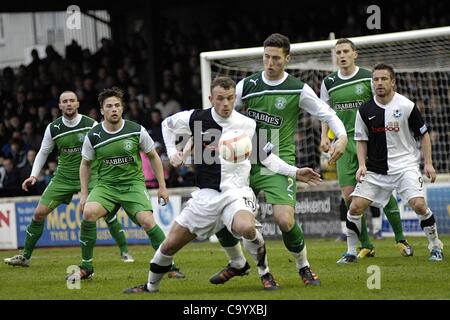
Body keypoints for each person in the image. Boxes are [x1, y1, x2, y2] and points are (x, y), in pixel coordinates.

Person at [123, 77, 322, 293]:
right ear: (211, 99)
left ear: (234, 98)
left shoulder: (248, 124)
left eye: (229, 98)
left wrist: (295, 171)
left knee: (246, 227)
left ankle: (265, 272)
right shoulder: (196, 118)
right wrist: (173, 153)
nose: (225, 103)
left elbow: (267, 158)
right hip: (206, 195)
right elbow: (166, 124)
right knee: (170, 244)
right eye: (220, 99)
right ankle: (151, 287)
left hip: (237, 193)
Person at [211, 34, 348, 287]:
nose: (270, 62)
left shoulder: (297, 88)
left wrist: (341, 137)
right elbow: (219, 113)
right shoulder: (247, 85)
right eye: (266, 57)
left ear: (287, 58)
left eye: (276, 58)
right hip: (244, 162)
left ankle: (303, 267)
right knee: (218, 214)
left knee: (285, 220)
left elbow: (327, 113)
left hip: (279, 162)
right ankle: (237, 263)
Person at [4, 91, 135, 267]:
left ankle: (125, 251)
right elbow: (43, 152)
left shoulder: (91, 124)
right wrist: (34, 175)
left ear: (78, 104)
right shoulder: (53, 128)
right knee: (38, 213)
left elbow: (105, 149)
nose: (69, 104)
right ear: (59, 106)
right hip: (63, 177)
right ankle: (25, 257)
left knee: (108, 215)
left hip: (91, 176)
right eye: (65, 101)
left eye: (72, 101)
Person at [67, 87, 184, 281]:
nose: (114, 109)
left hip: (133, 185)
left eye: (117, 105)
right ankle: (86, 267)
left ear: (122, 108)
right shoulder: (93, 135)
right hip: (106, 187)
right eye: (109, 106)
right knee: (88, 212)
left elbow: (153, 156)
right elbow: (85, 164)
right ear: (102, 110)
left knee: (147, 221)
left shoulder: (136, 130)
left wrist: (162, 186)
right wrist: (85, 193)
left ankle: (169, 265)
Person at [337, 63, 444, 264]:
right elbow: (361, 140)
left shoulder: (406, 106)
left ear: (393, 82)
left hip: (405, 166)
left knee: (419, 206)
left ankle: (435, 245)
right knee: (355, 207)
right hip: (376, 170)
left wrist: (428, 163)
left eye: (384, 79)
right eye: (375, 79)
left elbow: (424, 135)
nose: (379, 83)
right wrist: (362, 165)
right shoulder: (365, 109)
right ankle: (351, 251)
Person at [320, 39, 412, 258]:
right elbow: (324, 112)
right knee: (349, 196)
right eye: (338, 52)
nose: (341, 55)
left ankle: (400, 239)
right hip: (342, 143)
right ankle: (366, 244)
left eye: (345, 52)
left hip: (368, 140)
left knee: (381, 191)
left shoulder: (367, 77)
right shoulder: (329, 82)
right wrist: (324, 136)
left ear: (355, 54)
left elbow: (382, 103)